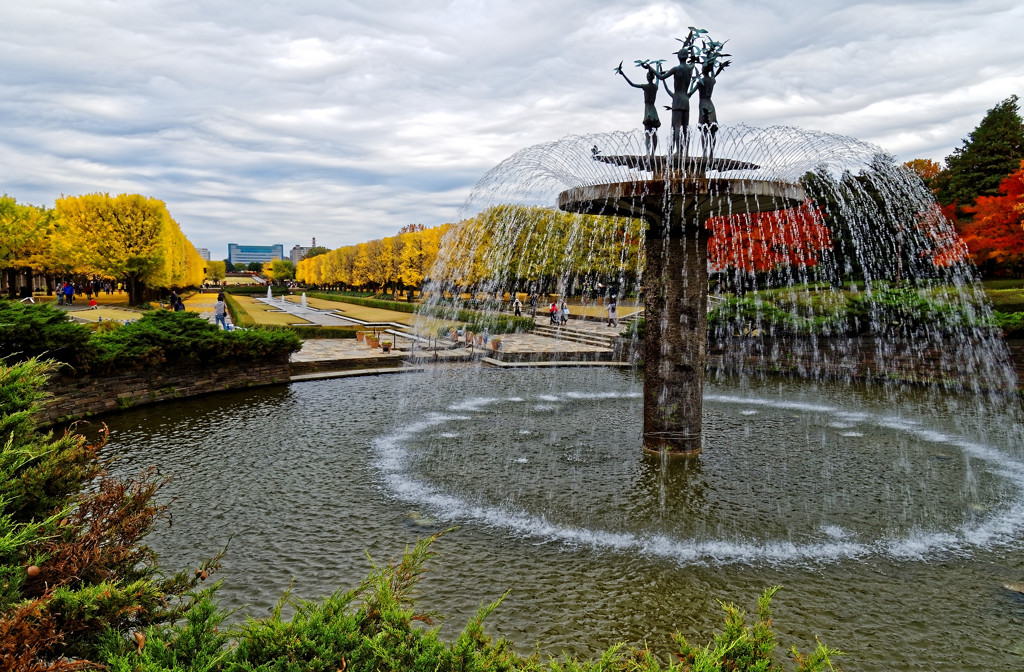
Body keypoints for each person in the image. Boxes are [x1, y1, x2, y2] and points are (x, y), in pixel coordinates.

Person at [617, 61, 661, 157]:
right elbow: (658, 78)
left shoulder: (645, 86)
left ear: (647, 78)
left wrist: (623, 74)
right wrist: (657, 67)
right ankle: (653, 153)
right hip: (654, 111)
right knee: (654, 134)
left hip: (648, 111)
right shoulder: (655, 87)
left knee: (647, 133)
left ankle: (648, 153)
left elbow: (632, 84)